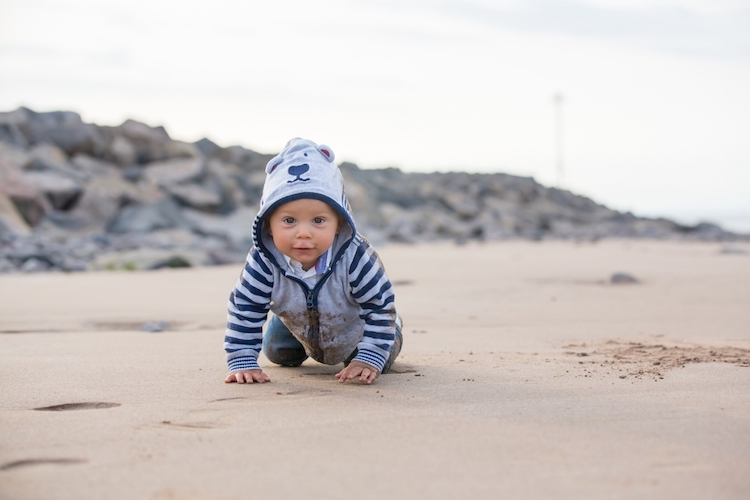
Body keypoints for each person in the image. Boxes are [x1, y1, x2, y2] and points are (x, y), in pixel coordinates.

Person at [224, 138, 402, 385]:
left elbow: (379, 304)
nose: (304, 233)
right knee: (277, 353)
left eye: (318, 221)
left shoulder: (355, 255)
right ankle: (289, 320)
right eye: (289, 221)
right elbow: (245, 307)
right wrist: (242, 360)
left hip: (355, 328)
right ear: (268, 224)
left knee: (363, 360)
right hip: (299, 323)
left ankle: (386, 337)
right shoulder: (263, 259)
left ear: (339, 222)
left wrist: (370, 357)